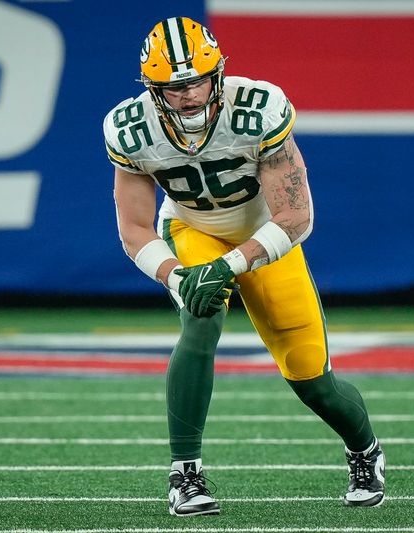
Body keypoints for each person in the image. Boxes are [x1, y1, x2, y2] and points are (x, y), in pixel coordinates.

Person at [103, 16, 384, 517]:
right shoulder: (131, 129)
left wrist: (233, 263)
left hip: (264, 235)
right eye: (172, 87)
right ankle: (184, 474)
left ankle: (365, 450)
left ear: (218, 74)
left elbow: (296, 216)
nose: (188, 97)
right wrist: (176, 274)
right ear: (152, 88)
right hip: (192, 228)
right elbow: (135, 230)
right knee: (201, 315)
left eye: (195, 82)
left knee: (311, 377)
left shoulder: (257, 109)